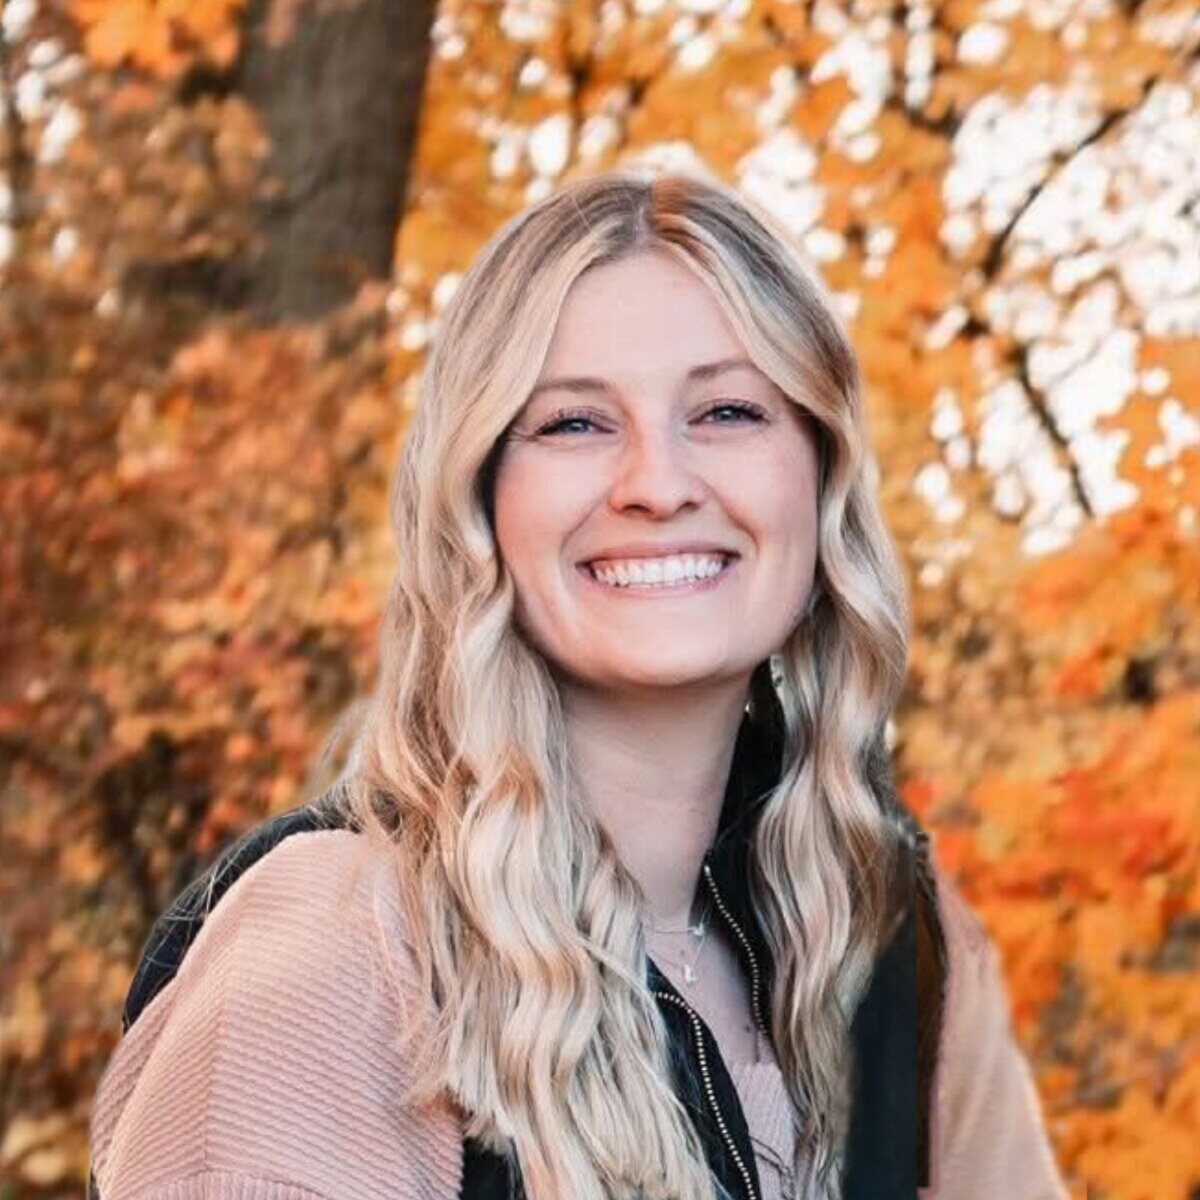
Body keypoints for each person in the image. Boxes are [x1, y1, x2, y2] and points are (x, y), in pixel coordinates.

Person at [88, 169, 1070, 1200]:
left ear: (819, 478)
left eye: (730, 410)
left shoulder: (879, 947)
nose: (656, 483)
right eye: (573, 424)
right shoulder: (341, 949)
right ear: (480, 501)